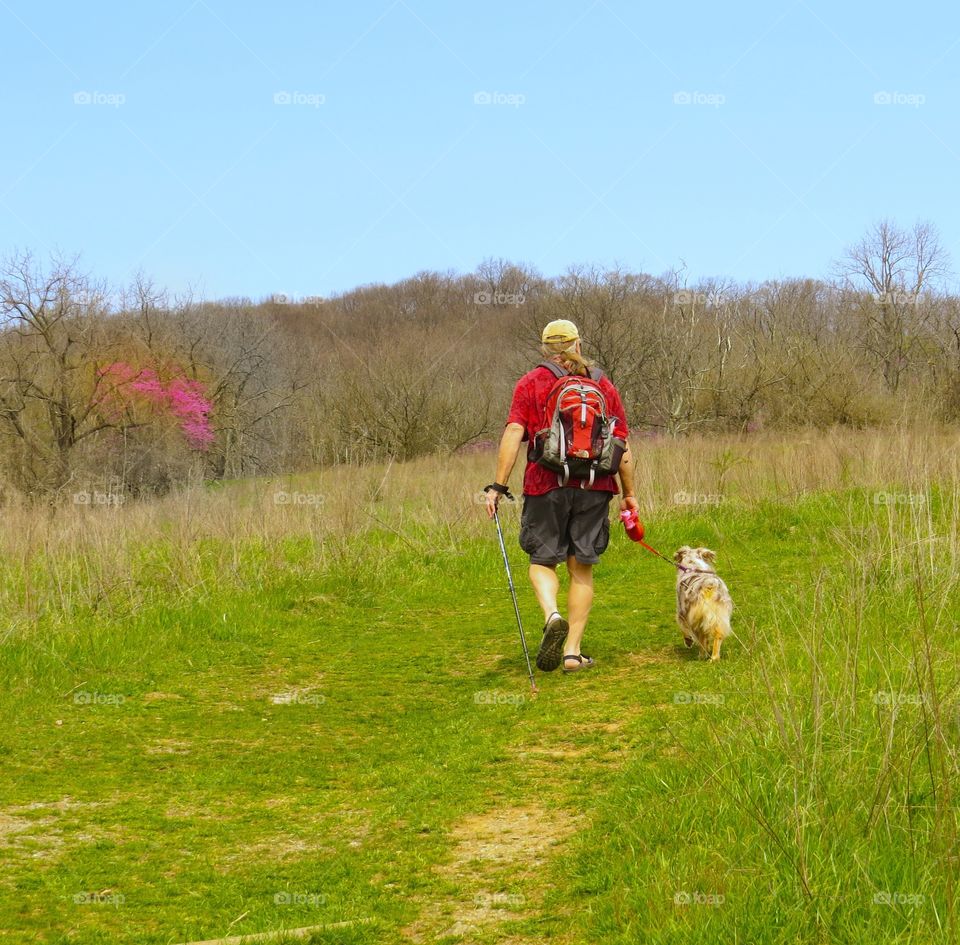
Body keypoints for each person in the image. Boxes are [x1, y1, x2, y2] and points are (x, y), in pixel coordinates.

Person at [484, 319, 638, 673]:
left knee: (542, 561)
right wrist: (630, 494)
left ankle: (552, 615)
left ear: (544, 348)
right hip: (595, 487)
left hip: (545, 484)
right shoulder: (602, 385)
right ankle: (572, 652)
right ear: (578, 345)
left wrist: (498, 485)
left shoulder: (531, 382)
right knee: (581, 567)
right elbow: (622, 445)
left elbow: (514, 430)